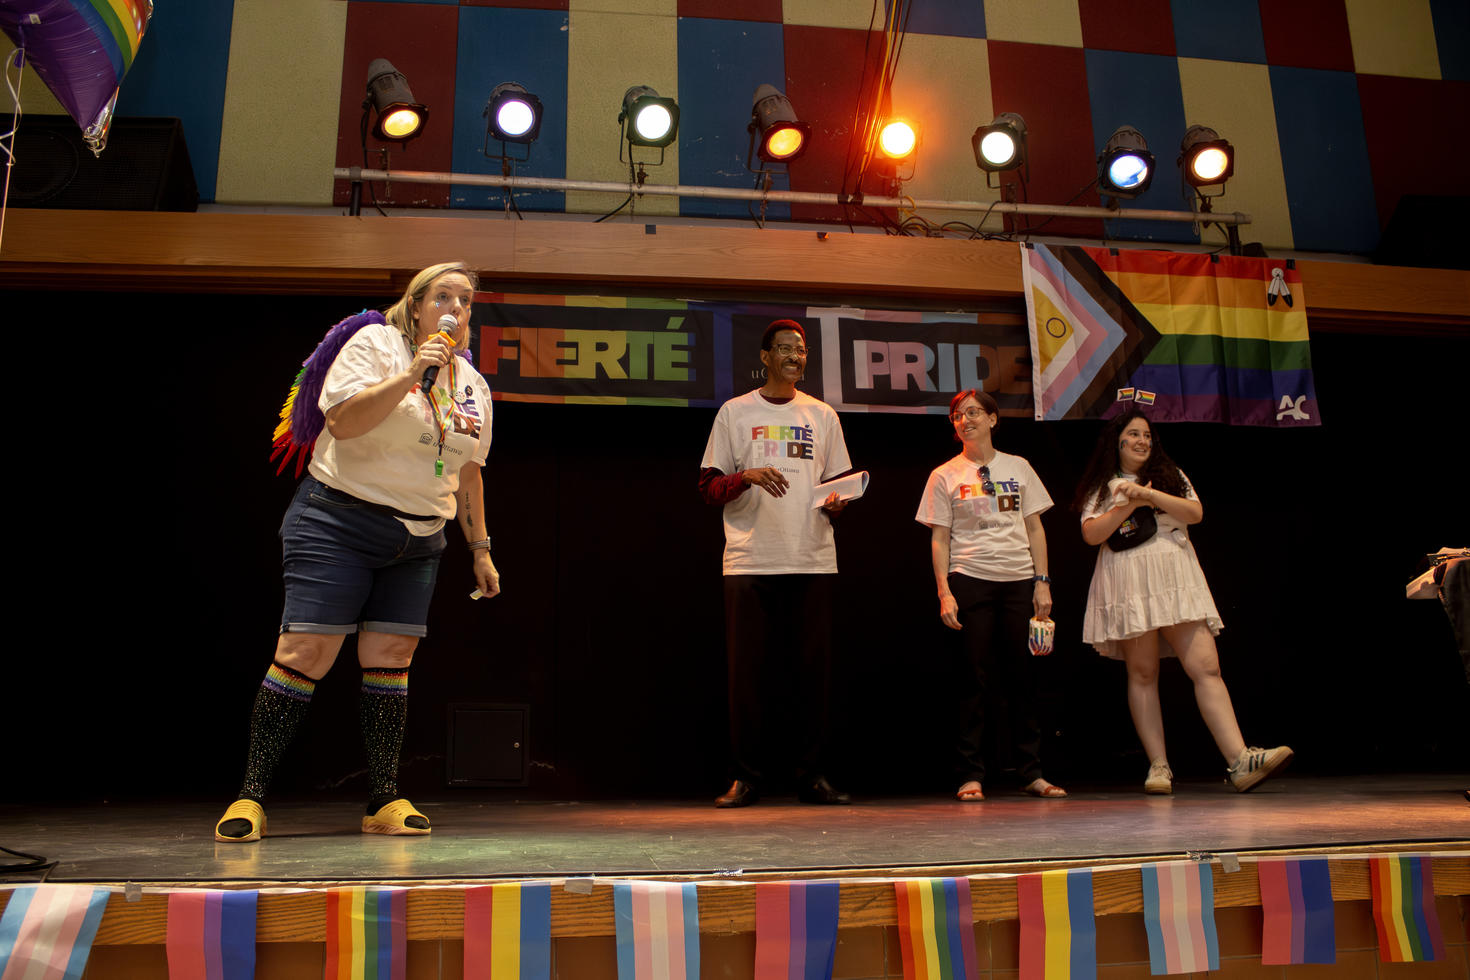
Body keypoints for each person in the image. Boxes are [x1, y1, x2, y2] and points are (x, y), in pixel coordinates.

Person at [214, 261, 501, 842]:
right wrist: (413, 373)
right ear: (417, 304)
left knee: (392, 657)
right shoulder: (373, 344)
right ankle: (250, 795)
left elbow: (469, 473)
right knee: (308, 650)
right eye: (443, 296)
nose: (456, 309)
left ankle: (383, 799)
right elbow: (341, 424)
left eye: (466, 300)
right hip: (338, 520)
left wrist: (481, 548)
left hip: (421, 537)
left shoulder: (473, 384)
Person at [1074, 408, 1289, 794]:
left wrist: (1148, 493)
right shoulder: (1102, 485)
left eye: (1147, 436)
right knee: (1142, 672)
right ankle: (1158, 766)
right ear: (1117, 441)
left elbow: (1195, 512)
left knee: (1206, 666)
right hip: (1130, 578)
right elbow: (1092, 534)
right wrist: (1128, 504)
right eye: (1133, 434)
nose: (1142, 441)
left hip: (1176, 575)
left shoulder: (1171, 476)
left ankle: (1240, 759)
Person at [699, 319, 853, 807]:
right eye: (784, 349)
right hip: (750, 559)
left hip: (811, 558)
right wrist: (746, 475)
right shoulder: (735, 412)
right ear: (765, 357)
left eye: (801, 350)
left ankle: (812, 776)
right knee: (748, 678)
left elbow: (840, 485)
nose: (794, 356)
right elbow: (708, 488)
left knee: (812, 677)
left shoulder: (823, 415)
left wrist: (838, 502)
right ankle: (745, 777)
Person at [915, 389, 1066, 802]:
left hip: (1019, 580)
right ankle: (970, 774)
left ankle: (1031, 771)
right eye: (957, 415)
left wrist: (1042, 581)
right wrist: (945, 591)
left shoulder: (1018, 467)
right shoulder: (944, 474)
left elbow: (1035, 527)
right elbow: (939, 539)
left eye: (975, 412)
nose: (966, 420)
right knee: (972, 679)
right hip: (969, 579)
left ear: (993, 419)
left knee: (1024, 677)